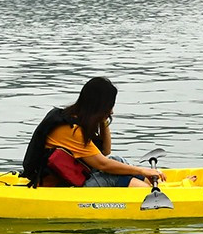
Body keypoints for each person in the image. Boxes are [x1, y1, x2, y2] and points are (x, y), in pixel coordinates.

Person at [20, 76, 163, 189]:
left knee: (117, 160)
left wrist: (103, 120)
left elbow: (105, 152)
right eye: (109, 106)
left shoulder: (79, 120)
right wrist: (142, 171)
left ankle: (152, 187)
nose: (112, 111)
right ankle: (148, 195)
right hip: (59, 187)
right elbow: (103, 164)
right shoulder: (72, 129)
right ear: (98, 106)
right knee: (115, 177)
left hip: (78, 177)